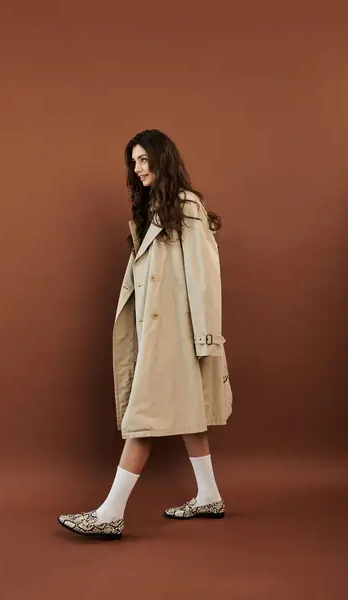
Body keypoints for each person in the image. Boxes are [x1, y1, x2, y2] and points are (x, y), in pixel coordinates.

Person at [58, 129, 232, 539]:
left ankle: (110, 514)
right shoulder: (155, 211)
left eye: (142, 160)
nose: (137, 170)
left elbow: (205, 278)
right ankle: (209, 495)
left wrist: (206, 340)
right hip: (158, 336)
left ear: (161, 159)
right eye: (132, 163)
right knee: (189, 416)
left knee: (142, 420)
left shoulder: (187, 207)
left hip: (178, 339)